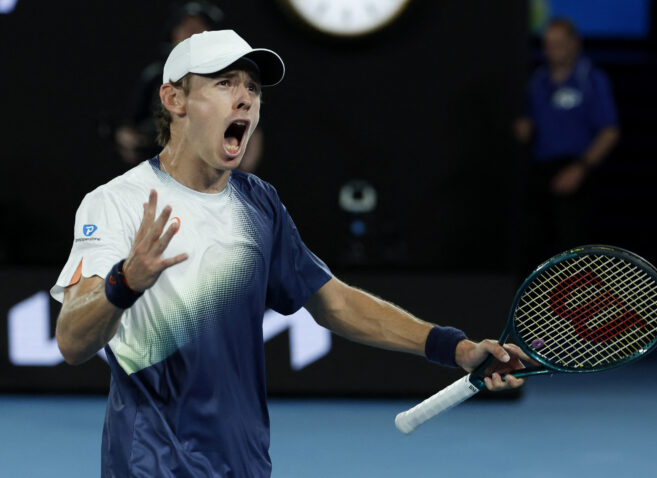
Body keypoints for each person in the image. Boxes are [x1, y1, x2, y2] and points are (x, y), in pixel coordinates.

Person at [53, 30, 530, 477]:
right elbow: (73, 342)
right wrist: (126, 282)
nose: (245, 98)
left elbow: (334, 302)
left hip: (244, 463)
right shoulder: (116, 203)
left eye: (253, 89)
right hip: (152, 466)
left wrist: (456, 347)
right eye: (224, 83)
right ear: (173, 99)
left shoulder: (259, 202)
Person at [514, 18, 620, 271]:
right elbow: (529, 123)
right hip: (541, 173)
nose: (552, 51)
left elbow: (610, 131)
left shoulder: (591, 80)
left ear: (575, 44)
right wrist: (524, 128)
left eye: (559, 44)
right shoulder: (538, 81)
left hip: (576, 173)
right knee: (534, 250)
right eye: (548, 45)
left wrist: (581, 168)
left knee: (572, 253)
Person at [115, 1, 264, 173]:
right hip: (161, 172)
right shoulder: (156, 76)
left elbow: (252, 129)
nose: (194, 33)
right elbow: (128, 130)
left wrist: (241, 174)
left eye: (200, 28)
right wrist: (133, 145)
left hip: (212, 173)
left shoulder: (231, 76)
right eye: (187, 27)